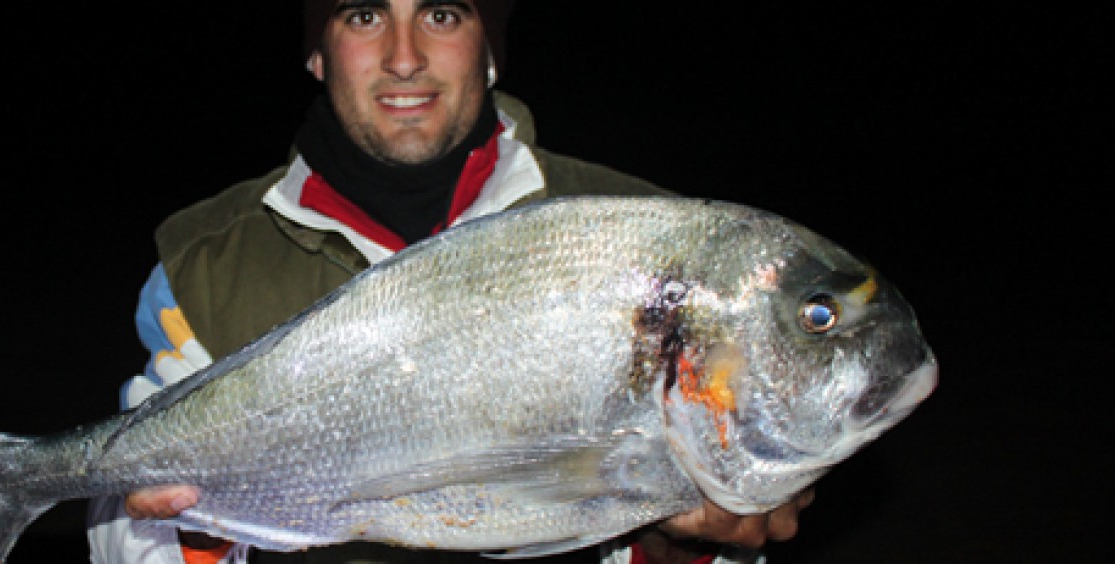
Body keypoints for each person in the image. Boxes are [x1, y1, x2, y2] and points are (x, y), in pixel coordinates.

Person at [88, 1, 815, 563]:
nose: (404, 57)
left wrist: (682, 542)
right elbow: (119, 537)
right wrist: (195, 528)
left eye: (442, 14)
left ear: (490, 47)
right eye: (365, 14)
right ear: (316, 51)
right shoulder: (206, 266)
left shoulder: (651, 243)